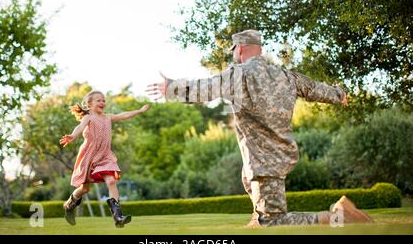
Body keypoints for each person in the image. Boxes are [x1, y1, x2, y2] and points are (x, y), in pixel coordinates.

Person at [147, 29, 373, 227]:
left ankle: (339, 217)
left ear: (241, 48)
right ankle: (257, 219)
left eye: (233, 49)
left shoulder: (239, 73)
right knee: (251, 187)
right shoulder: (285, 75)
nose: (233, 53)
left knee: (273, 221)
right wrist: (339, 94)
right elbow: (314, 88)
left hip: (263, 159)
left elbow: (206, 88)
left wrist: (172, 87)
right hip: (276, 153)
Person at [60, 90, 150, 227]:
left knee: (112, 181)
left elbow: (123, 115)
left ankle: (118, 216)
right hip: (89, 155)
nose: (102, 103)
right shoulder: (88, 116)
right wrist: (73, 136)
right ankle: (69, 205)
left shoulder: (107, 117)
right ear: (89, 104)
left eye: (103, 100)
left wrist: (139, 111)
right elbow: (80, 127)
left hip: (105, 155)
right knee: (84, 189)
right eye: (98, 100)